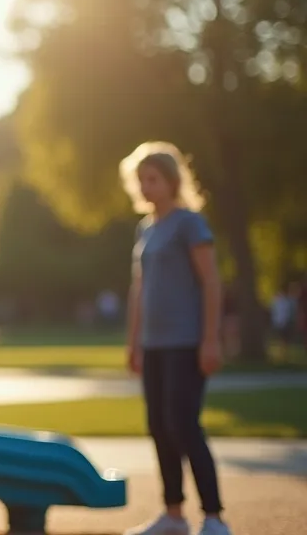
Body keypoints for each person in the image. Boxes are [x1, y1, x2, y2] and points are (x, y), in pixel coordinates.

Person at [120, 142, 230, 535]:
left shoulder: (189, 224)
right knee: (159, 426)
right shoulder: (146, 228)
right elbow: (139, 289)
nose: (146, 187)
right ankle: (173, 514)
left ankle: (215, 517)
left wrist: (211, 339)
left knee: (184, 426)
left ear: (171, 181)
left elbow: (211, 281)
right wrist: (134, 343)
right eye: (141, 180)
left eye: (153, 179)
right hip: (154, 345)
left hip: (186, 342)